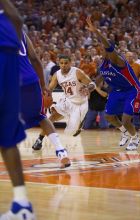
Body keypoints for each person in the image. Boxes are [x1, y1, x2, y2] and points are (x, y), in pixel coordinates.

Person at [86, 16, 140, 151]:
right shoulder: (103, 65)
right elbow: (99, 79)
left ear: (110, 49)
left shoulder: (118, 60)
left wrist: (96, 31)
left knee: (125, 119)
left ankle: (135, 138)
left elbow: (107, 44)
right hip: (117, 91)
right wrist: (89, 87)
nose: (101, 49)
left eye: (104, 48)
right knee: (109, 116)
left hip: (133, 90)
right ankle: (124, 132)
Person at [0, 1, 35, 219]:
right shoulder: (8, 15)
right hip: (9, 60)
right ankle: (22, 205)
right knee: (7, 136)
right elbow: (19, 21)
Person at [19, 31, 70, 168]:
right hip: (30, 80)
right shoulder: (20, 32)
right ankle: (61, 151)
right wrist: (43, 85)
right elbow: (35, 58)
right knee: (41, 117)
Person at [32, 54, 96, 150]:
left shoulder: (77, 72)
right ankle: (39, 140)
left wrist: (88, 88)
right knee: (52, 117)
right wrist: (45, 95)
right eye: (61, 63)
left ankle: (79, 124)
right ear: (59, 63)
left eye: (66, 63)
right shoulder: (57, 74)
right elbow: (49, 89)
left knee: (70, 132)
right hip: (67, 100)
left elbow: (92, 84)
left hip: (80, 103)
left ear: (70, 63)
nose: (63, 65)